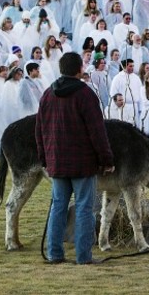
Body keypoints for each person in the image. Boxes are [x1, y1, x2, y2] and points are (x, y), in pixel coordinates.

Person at [36, 52, 114, 265]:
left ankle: (54, 254)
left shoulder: (48, 95)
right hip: (83, 163)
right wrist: (107, 159)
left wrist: (45, 158)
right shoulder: (85, 95)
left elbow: (39, 130)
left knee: (58, 208)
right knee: (84, 209)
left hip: (58, 162)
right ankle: (83, 256)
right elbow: (98, 131)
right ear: (79, 69)